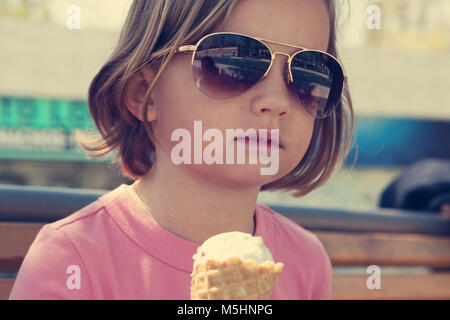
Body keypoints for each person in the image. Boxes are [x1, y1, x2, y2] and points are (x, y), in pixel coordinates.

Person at [10, 0, 354, 299]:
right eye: (235, 63)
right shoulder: (71, 257)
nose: (277, 102)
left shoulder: (307, 261)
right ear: (145, 93)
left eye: (311, 74)